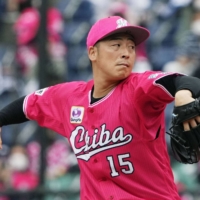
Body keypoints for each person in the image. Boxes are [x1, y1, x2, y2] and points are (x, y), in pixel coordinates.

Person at [0, 15, 200, 200]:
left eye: (131, 47)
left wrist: (182, 93)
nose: (126, 53)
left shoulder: (139, 87)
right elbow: (28, 104)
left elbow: (185, 82)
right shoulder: (69, 97)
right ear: (92, 52)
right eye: (116, 45)